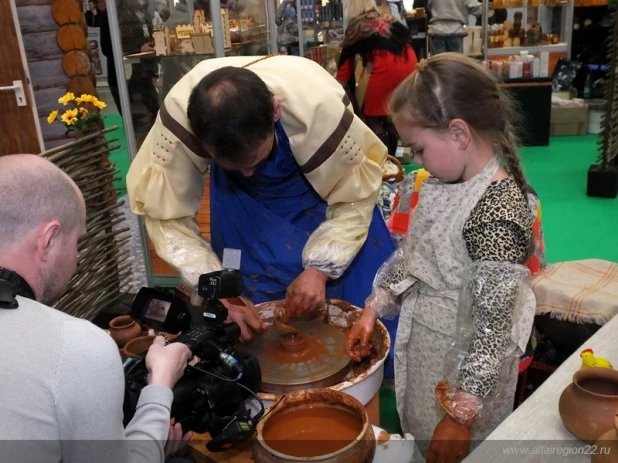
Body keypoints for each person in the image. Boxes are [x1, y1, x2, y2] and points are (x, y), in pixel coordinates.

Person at [126, 54, 399, 377]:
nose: (249, 172)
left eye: (255, 159)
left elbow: (353, 198)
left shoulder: (318, 107)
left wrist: (321, 268)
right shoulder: (178, 122)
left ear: (275, 110)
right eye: (235, 165)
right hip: (242, 208)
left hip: (324, 196)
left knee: (366, 335)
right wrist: (216, 286)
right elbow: (166, 219)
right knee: (254, 328)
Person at [346, 54, 538, 462]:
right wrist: (373, 309)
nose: (415, 159)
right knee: (421, 432)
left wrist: (461, 416)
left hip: (467, 382)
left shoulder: (496, 213)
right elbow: (415, 255)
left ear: (458, 133)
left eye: (419, 147)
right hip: (428, 351)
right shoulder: (443, 180)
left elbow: (493, 332)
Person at [0, 154, 192, 463]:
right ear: (48, 239)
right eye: (77, 241)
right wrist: (161, 385)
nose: (76, 259)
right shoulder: (73, 346)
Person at [336, 0, 417, 155]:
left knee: (372, 116)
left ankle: (384, 160)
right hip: (409, 62)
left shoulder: (357, 26)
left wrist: (335, 88)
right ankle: (394, 157)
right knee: (390, 113)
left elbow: (344, 69)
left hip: (387, 67)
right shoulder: (386, 16)